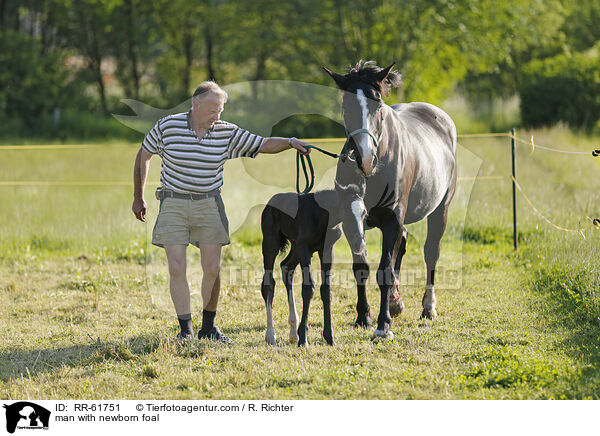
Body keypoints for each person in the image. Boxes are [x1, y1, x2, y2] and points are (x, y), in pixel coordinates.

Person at [131, 81, 312, 344]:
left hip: (209, 203)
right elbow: (144, 155)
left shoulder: (226, 132)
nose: (218, 115)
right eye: (214, 109)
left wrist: (291, 142)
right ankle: (185, 330)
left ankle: (209, 327)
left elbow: (262, 144)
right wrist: (138, 197)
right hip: (173, 202)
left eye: (221, 109)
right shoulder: (167, 126)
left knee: (213, 267)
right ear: (196, 105)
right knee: (177, 266)